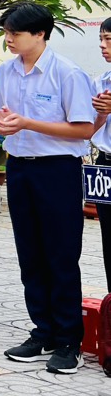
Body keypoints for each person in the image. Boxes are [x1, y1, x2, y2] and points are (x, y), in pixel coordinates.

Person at [0, 2, 97, 374]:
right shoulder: (6, 72)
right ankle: (43, 331)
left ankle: (69, 341)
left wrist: (27, 123)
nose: (8, 39)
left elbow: (82, 129)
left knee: (61, 256)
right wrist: (2, 126)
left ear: (40, 34)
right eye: (6, 32)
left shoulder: (67, 74)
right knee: (30, 255)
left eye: (14, 33)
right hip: (19, 169)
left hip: (57, 171)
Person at [93, 17, 111, 293]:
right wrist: (101, 113)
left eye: (109, 40)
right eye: (101, 40)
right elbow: (89, 128)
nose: (103, 46)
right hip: (105, 165)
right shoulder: (100, 82)